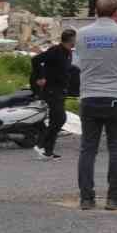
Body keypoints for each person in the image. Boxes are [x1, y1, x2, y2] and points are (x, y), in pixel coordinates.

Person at [74, 0, 117, 211]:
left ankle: (86, 198)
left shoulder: (82, 34)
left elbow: (77, 62)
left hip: (89, 97)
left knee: (88, 149)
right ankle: (114, 197)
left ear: (95, 11)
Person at [30, 29, 77, 159]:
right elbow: (35, 60)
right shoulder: (56, 50)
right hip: (51, 90)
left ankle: (48, 151)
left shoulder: (68, 52)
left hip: (60, 90)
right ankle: (41, 145)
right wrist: (40, 77)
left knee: (56, 120)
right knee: (59, 119)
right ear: (71, 39)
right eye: (76, 38)